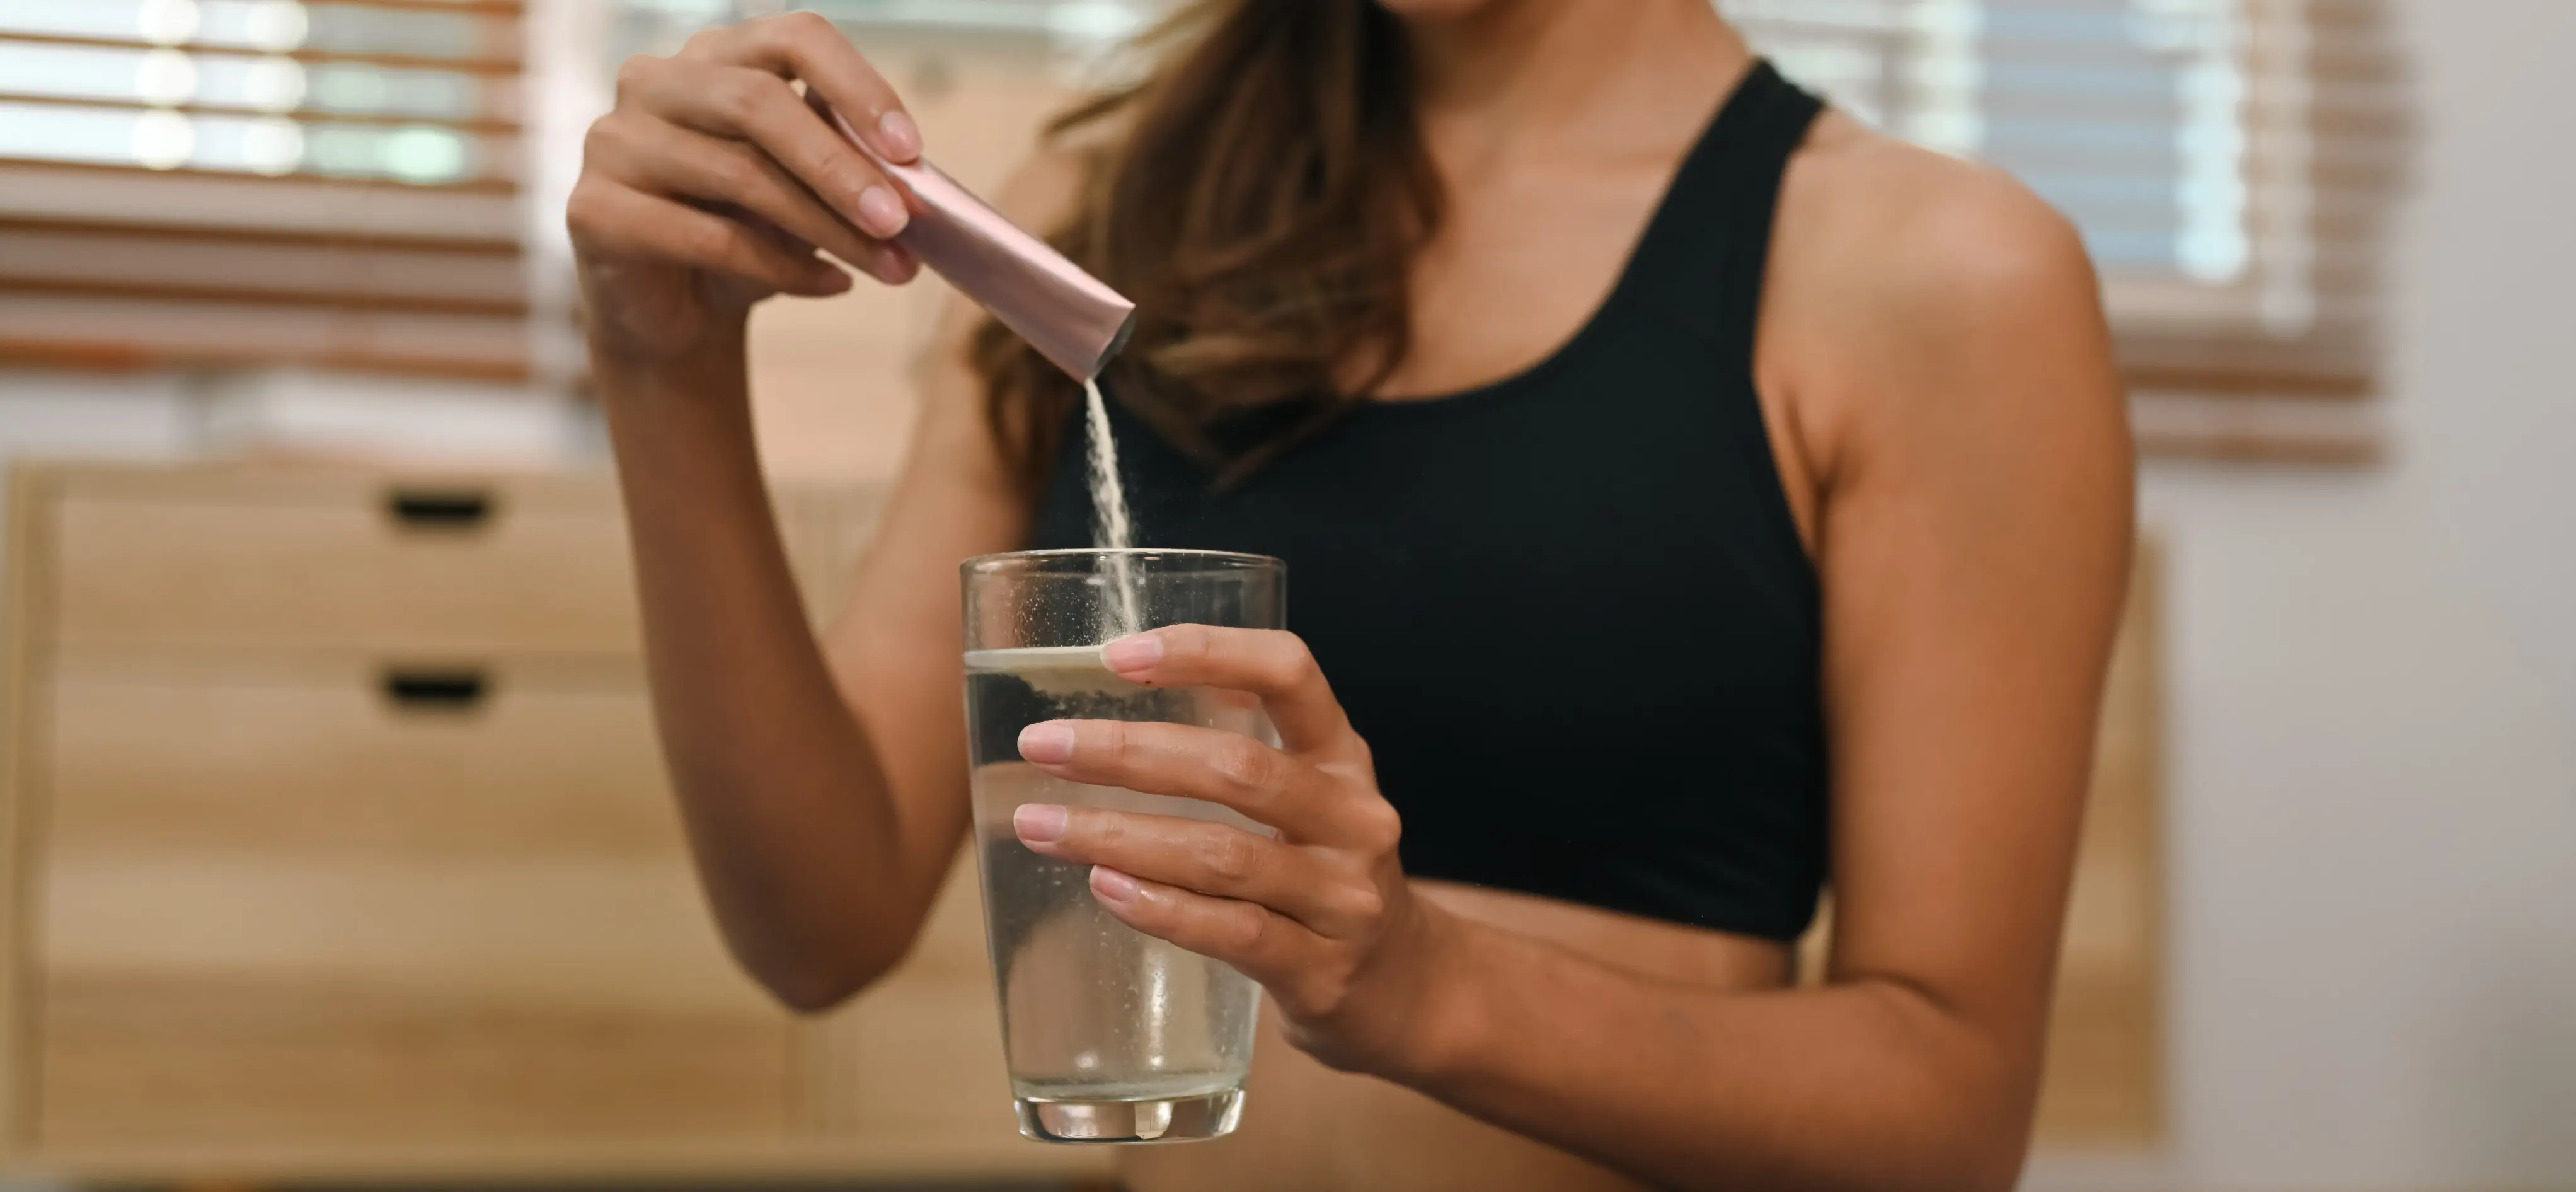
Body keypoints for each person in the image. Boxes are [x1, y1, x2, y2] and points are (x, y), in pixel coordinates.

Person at [566, 0, 2134, 1187]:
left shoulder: (1935, 276)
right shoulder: (1100, 211)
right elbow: (818, 919)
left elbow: (1946, 1108)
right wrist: (666, 363)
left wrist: (1424, 986)